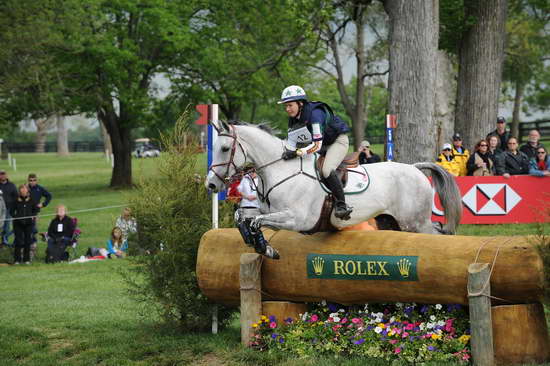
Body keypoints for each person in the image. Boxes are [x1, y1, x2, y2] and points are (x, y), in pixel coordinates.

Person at [278, 85, 352, 220]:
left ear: (300, 103)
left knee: (326, 170)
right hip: (322, 145)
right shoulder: (293, 119)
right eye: (286, 106)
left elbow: (316, 146)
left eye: (290, 105)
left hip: (337, 142)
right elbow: (291, 144)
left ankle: (342, 205)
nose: (287, 109)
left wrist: (296, 153)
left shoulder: (315, 115)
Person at [234, 168, 279, 259]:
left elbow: (266, 194)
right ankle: (261, 246)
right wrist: (245, 196)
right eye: (249, 171)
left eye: (252, 171)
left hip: (261, 208)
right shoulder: (246, 179)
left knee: (253, 228)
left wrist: (254, 197)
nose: (251, 173)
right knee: (247, 235)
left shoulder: (262, 179)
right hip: (248, 209)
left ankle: (264, 248)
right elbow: (237, 191)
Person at [27, 173, 52, 260]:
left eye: (34, 180)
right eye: (30, 180)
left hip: (35, 214)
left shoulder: (39, 188)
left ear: (36, 180)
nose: (32, 182)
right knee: (25, 232)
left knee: (33, 231)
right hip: (25, 214)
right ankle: (25, 252)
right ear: (28, 180)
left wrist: (43, 204)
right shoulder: (25, 188)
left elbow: (49, 196)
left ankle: (32, 253)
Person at [11, 184, 38, 264]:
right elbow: (11, 211)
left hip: (29, 223)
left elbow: (35, 209)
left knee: (27, 241)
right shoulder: (16, 200)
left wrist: (33, 216)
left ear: (27, 191)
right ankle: (17, 260)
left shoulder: (31, 200)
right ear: (19, 191)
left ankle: (27, 260)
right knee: (18, 241)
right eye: (21, 190)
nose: (23, 191)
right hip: (18, 223)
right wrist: (16, 217)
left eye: (25, 190)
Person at [0, 170, 17, 246]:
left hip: (8, 209)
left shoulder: (11, 185)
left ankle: (4, 241)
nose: (2, 176)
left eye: (4, 174)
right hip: (0, 210)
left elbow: (16, 196)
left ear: (6, 175)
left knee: (7, 227)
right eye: (1, 174)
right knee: (1, 226)